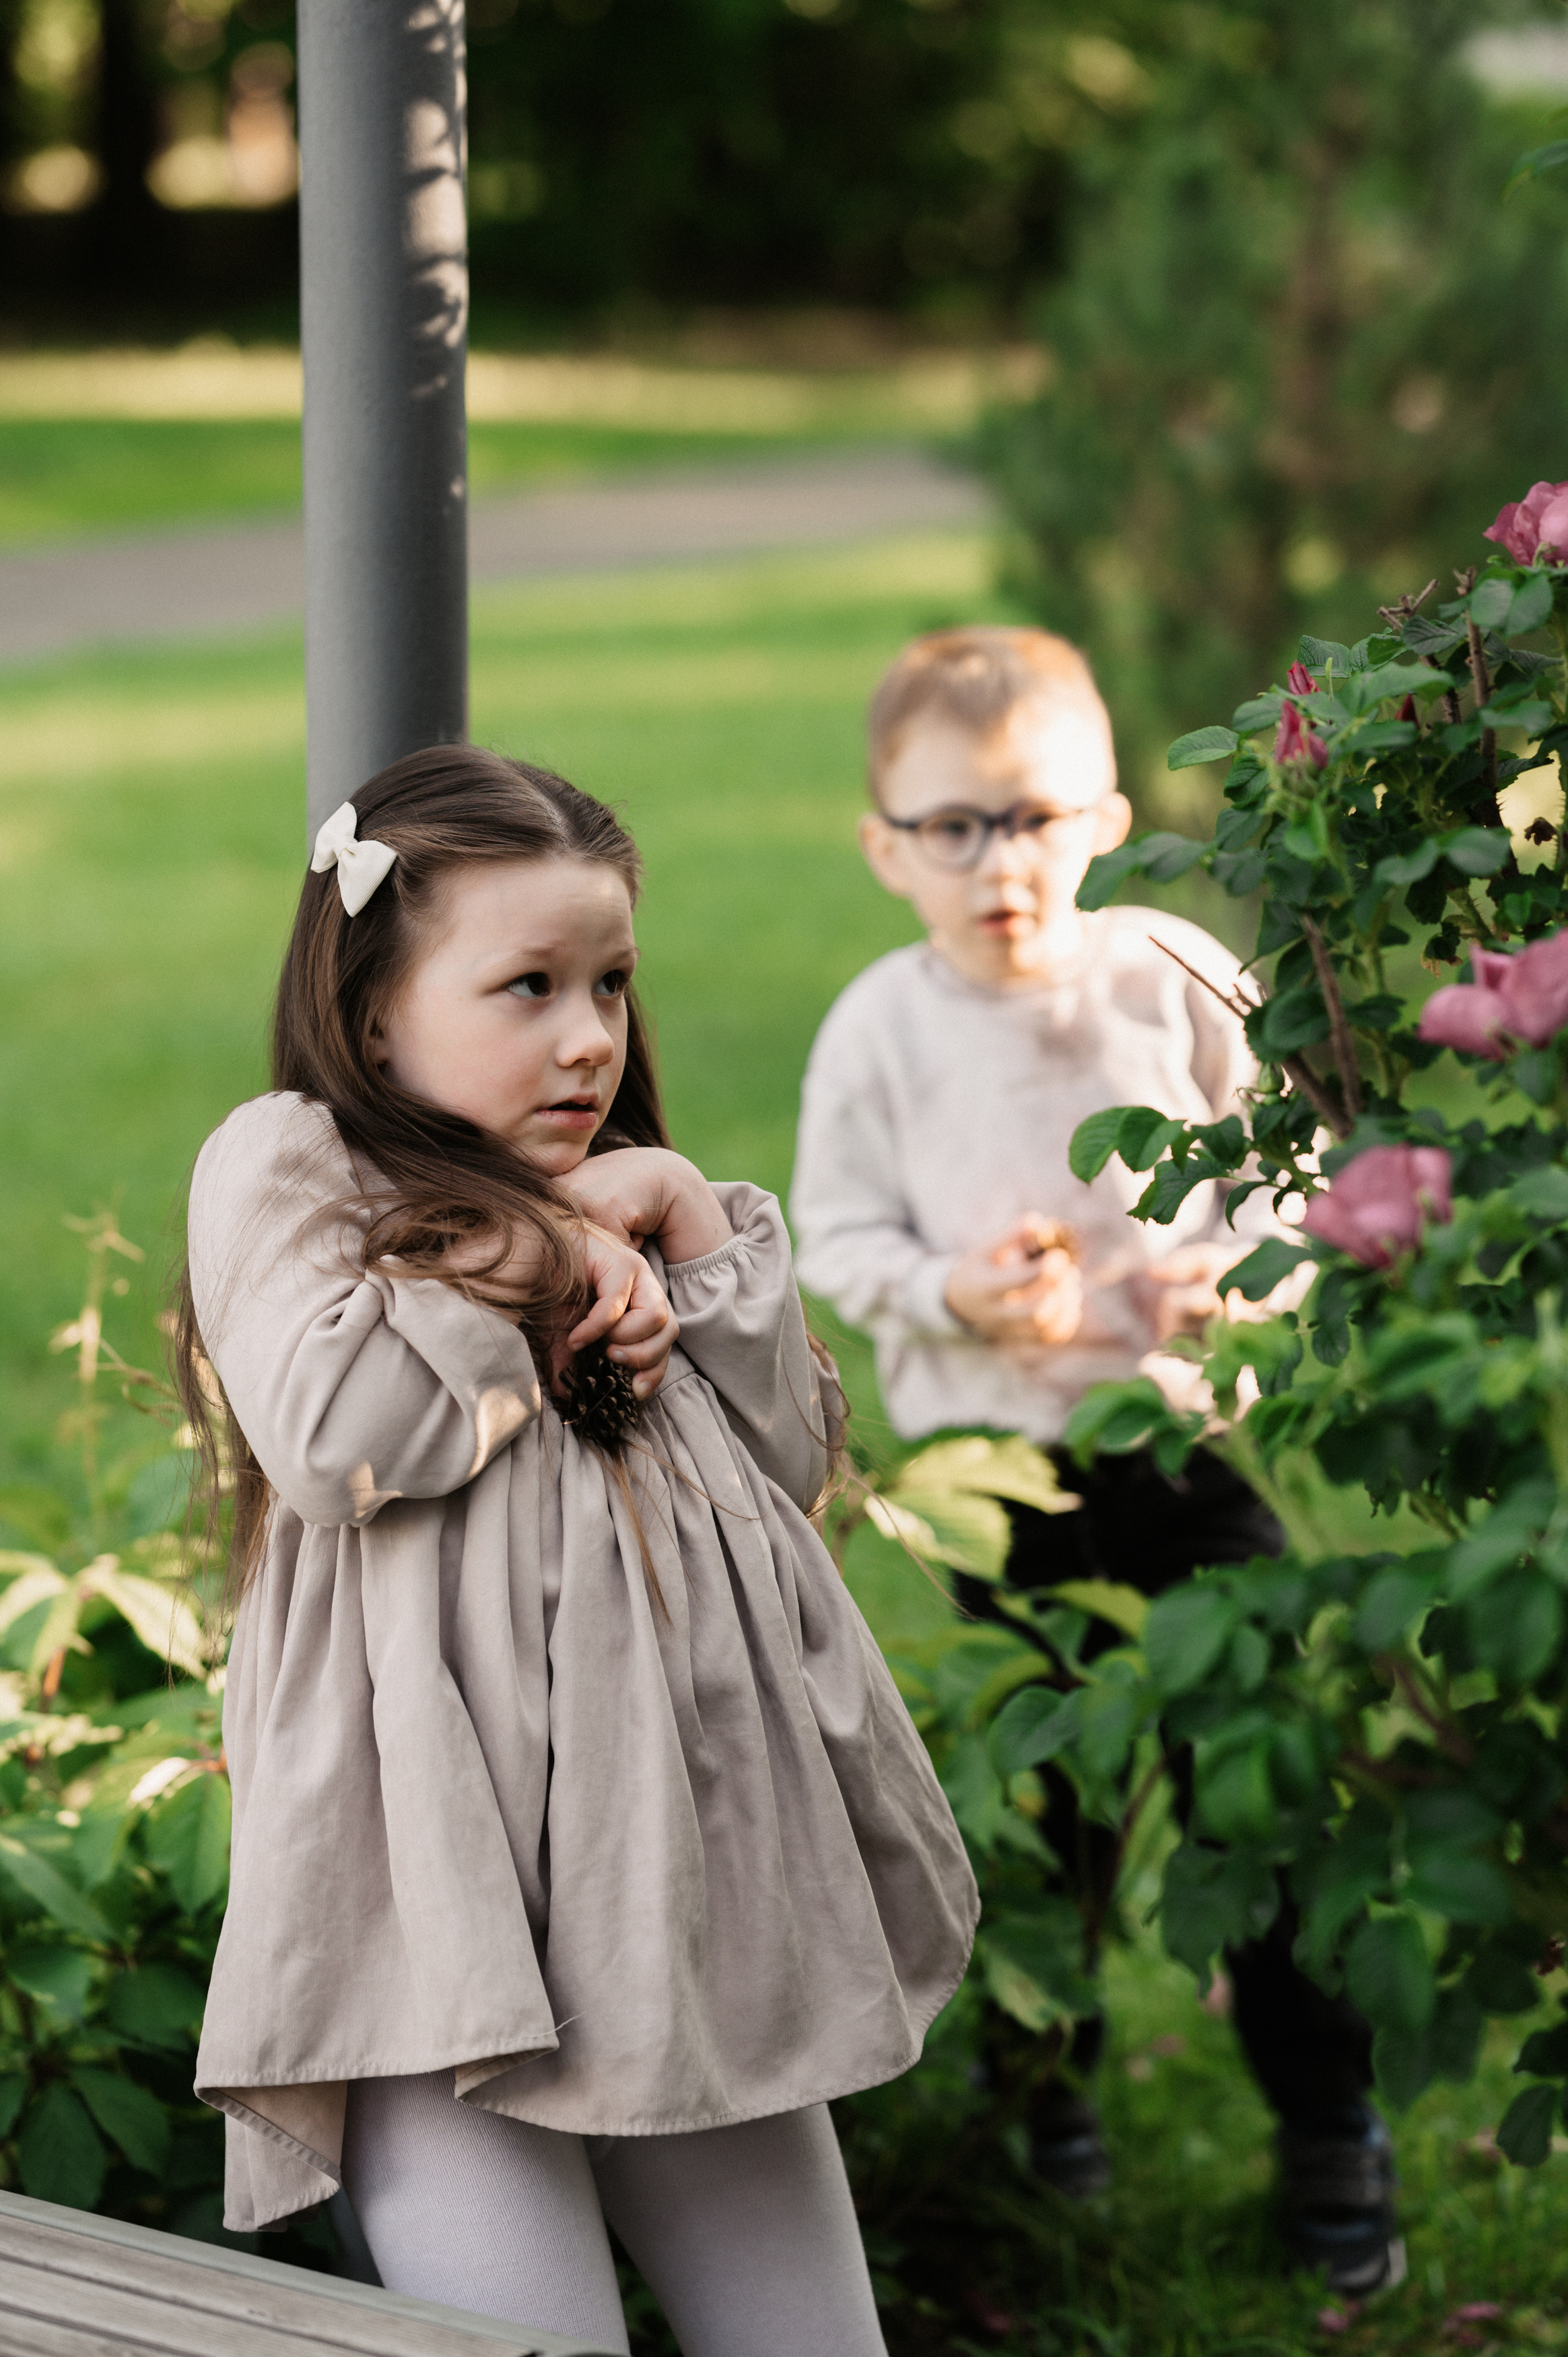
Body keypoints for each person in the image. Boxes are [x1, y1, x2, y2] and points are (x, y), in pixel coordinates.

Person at [175, 745, 978, 2357]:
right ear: (375, 1007)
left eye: (609, 981)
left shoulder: (635, 1204)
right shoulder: (294, 1172)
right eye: (527, 986)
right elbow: (338, 1435)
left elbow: (791, 1460)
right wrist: (542, 1240)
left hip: (681, 1915)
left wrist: (680, 1209)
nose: (589, 1035)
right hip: (437, 1942)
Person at [790, 627, 1401, 2296]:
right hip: (1002, 1479)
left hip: (1187, 1457)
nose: (1001, 862)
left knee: (1260, 1783)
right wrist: (951, 1290)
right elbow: (833, 1236)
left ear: (1109, 818)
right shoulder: (880, 1032)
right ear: (885, 846)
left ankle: (1329, 2113)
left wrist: (1241, 1271)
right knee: (1021, 1820)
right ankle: (1037, 2101)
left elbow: (1289, 1176)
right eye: (952, 827)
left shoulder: (1169, 975)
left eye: (1037, 817)